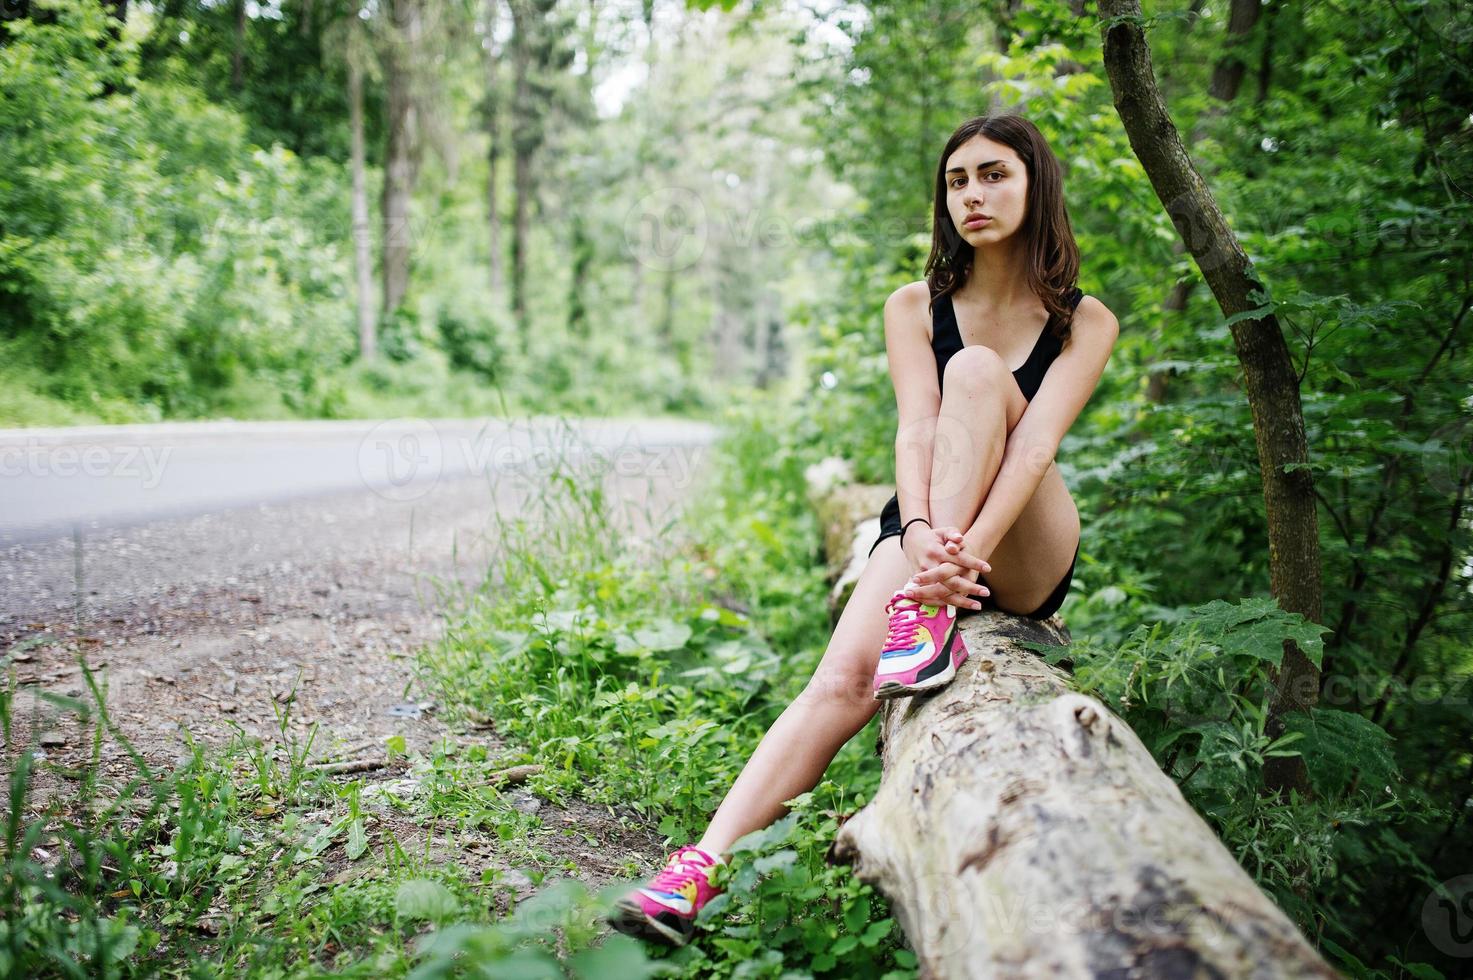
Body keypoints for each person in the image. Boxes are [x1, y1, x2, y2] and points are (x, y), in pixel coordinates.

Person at [607, 113, 1120, 947]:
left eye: (993, 175)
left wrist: (962, 561)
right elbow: (916, 431)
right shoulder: (915, 305)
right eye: (956, 181)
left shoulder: (1083, 319)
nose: (972, 195)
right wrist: (918, 537)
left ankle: (928, 611)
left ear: (1037, 185)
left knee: (980, 371)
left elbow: (1032, 451)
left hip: (1021, 544)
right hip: (926, 526)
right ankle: (695, 871)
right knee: (839, 680)